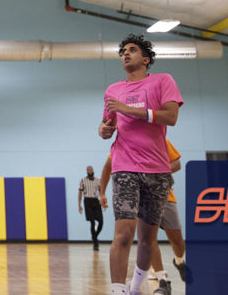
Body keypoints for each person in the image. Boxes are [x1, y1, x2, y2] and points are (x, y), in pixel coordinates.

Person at [99, 34, 182, 295]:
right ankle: (118, 290)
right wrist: (103, 130)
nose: (125, 53)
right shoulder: (113, 90)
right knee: (123, 233)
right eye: (123, 51)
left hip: (157, 170)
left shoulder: (163, 81)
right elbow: (107, 124)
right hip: (124, 167)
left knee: (147, 239)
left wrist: (129, 109)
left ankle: (135, 288)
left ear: (145, 59)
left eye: (132, 50)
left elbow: (171, 116)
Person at [100, 139, 190, 295]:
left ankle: (179, 261)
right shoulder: (124, 140)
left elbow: (177, 163)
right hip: (137, 197)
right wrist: (102, 193)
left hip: (163, 195)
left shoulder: (159, 138)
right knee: (147, 238)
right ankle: (161, 278)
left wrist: (158, 172)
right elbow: (108, 166)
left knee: (177, 239)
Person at [79, 164, 104, 250]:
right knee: (92, 222)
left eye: (91, 169)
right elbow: (80, 192)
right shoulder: (83, 180)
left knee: (101, 222)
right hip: (87, 201)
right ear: (87, 171)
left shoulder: (98, 180)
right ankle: (95, 243)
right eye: (88, 170)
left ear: (93, 170)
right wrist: (79, 204)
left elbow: (102, 192)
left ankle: (94, 237)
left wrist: (103, 202)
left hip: (96, 201)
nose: (90, 171)